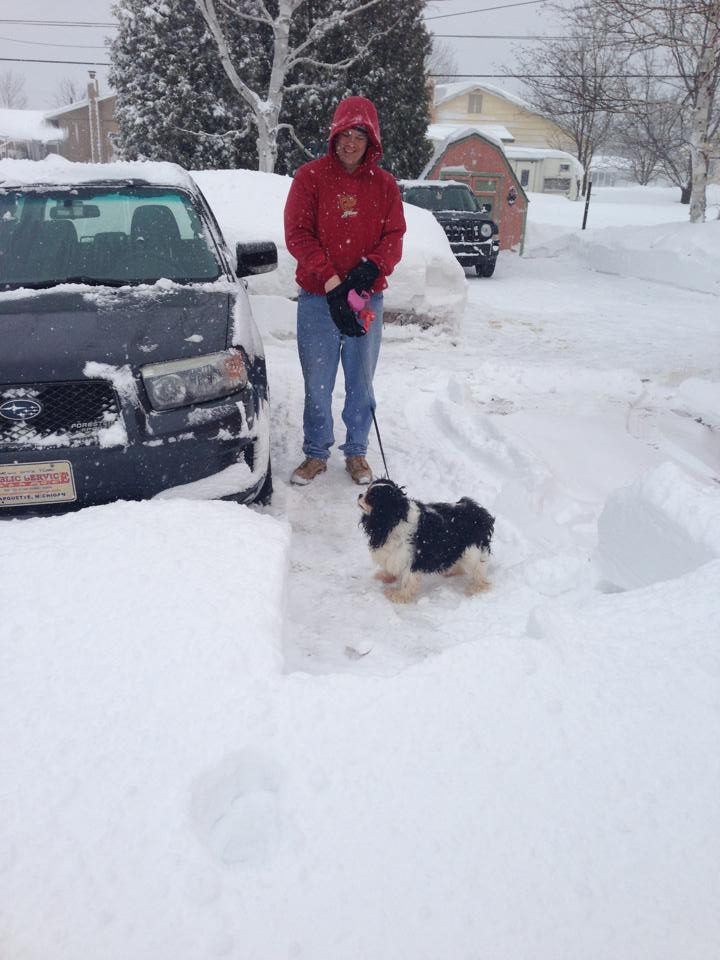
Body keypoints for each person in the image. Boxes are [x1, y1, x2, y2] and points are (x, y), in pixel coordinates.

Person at [283, 95, 406, 486]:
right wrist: (332, 280)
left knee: (361, 379)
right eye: (344, 134)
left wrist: (369, 269)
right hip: (319, 299)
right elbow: (298, 233)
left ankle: (356, 451)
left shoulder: (385, 186)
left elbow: (394, 235)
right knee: (317, 379)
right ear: (333, 136)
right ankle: (316, 452)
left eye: (359, 135)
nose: (350, 143)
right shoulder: (310, 177)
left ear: (371, 141)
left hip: (365, 297)